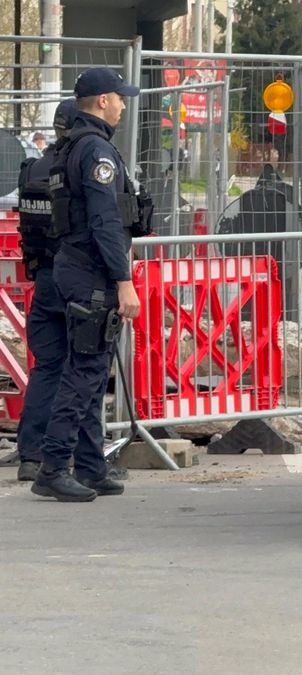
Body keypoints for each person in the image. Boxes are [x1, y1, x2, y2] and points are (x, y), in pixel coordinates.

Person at [32, 68, 146, 502]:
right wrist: (124, 281)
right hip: (91, 272)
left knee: (92, 372)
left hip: (71, 267)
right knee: (84, 373)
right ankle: (55, 465)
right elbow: (105, 222)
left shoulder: (72, 145)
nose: (122, 104)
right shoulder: (95, 149)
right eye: (119, 97)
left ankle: (91, 466)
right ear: (102, 100)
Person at [13, 100, 78, 482]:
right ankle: (76, 457)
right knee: (83, 369)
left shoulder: (32, 169)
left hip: (43, 279)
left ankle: (31, 454)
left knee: (47, 369)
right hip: (76, 279)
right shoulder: (76, 166)